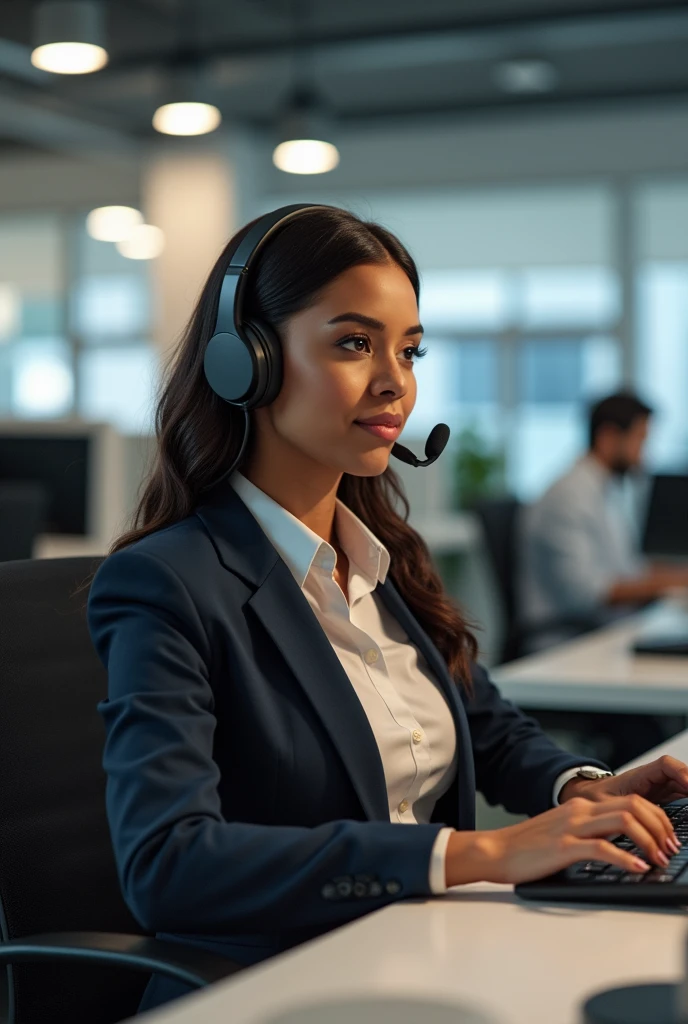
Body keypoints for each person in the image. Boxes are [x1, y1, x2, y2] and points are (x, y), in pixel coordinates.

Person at [87, 207, 688, 1014]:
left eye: (409, 349)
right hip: (286, 982)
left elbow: (485, 726)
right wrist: (472, 854)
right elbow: (170, 864)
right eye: (353, 343)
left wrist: (580, 787)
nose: (395, 381)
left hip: (426, 950)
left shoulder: (383, 555)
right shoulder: (167, 582)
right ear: (248, 363)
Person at [519, 391, 688, 650]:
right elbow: (588, 593)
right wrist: (670, 583)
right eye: (640, 440)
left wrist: (675, 576)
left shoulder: (605, 492)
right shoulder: (569, 497)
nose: (644, 456)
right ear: (608, 437)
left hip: (604, 633)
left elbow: (629, 570)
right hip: (566, 643)